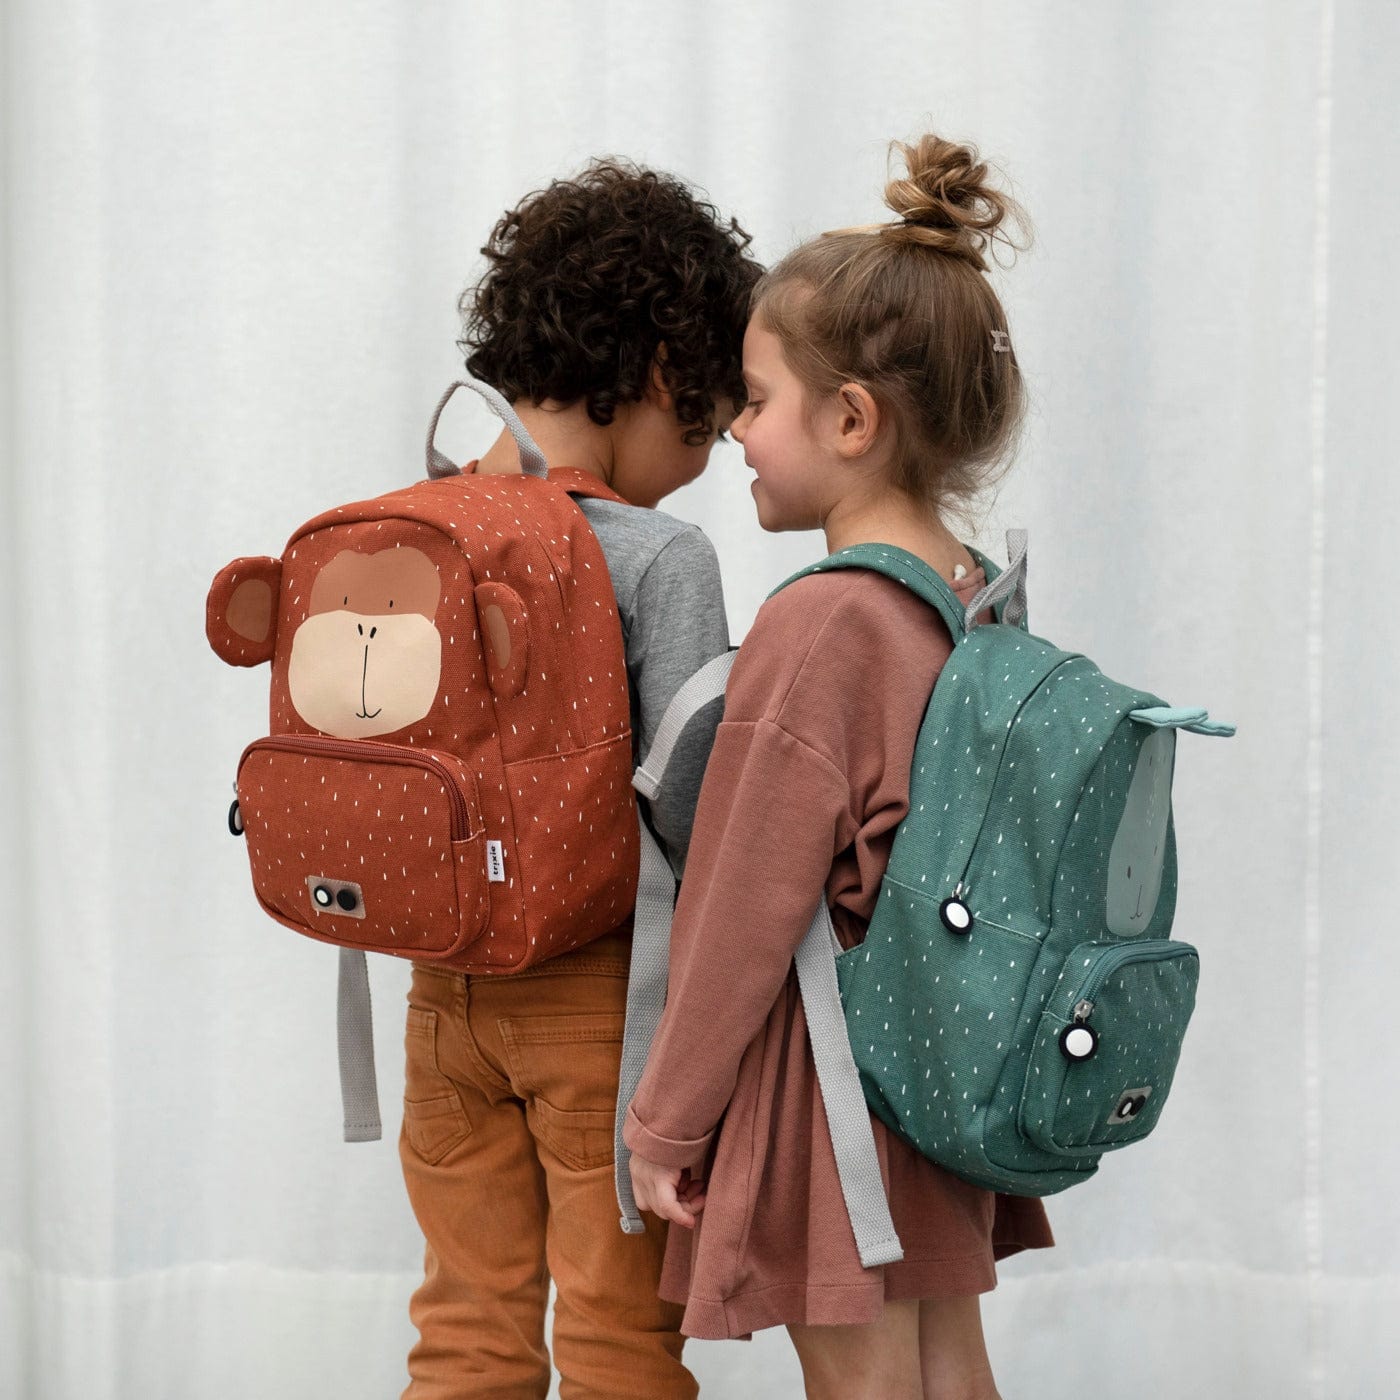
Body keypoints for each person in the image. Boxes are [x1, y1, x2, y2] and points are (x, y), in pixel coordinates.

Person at [624, 134, 1056, 1400]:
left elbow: (742, 902)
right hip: (942, 1059)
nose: (734, 429)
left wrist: (665, 1118)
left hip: (832, 1079)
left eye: (755, 399)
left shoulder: (821, 623)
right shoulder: (977, 594)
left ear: (851, 418)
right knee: (950, 1369)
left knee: (861, 1384)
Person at [398, 159, 761, 1400]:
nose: (704, 456)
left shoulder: (422, 521)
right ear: (662, 372)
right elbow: (696, 810)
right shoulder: (660, 555)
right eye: (706, 423)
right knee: (615, 1344)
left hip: (439, 990)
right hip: (599, 1007)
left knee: (465, 1331)